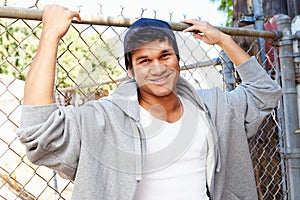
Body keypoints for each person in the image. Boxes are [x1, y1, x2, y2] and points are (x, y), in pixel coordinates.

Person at [16, 4, 282, 200]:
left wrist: (224, 41)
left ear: (178, 61)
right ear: (130, 71)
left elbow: (264, 92)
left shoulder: (211, 107)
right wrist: (50, 35)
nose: (157, 69)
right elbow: (38, 128)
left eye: (165, 56)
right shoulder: (103, 118)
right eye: (144, 61)